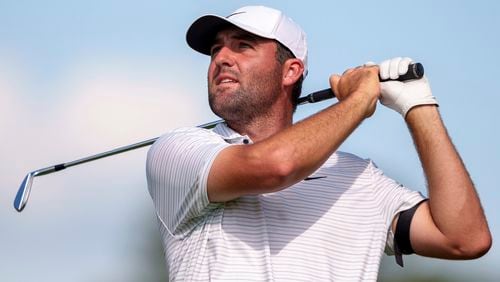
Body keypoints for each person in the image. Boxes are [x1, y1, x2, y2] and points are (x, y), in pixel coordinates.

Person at [146, 5, 491, 281]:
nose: (221, 58)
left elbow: (465, 239)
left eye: (243, 46)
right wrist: (358, 100)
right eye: (216, 49)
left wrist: (418, 105)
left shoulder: (360, 179)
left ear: (291, 71)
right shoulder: (179, 151)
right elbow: (276, 166)